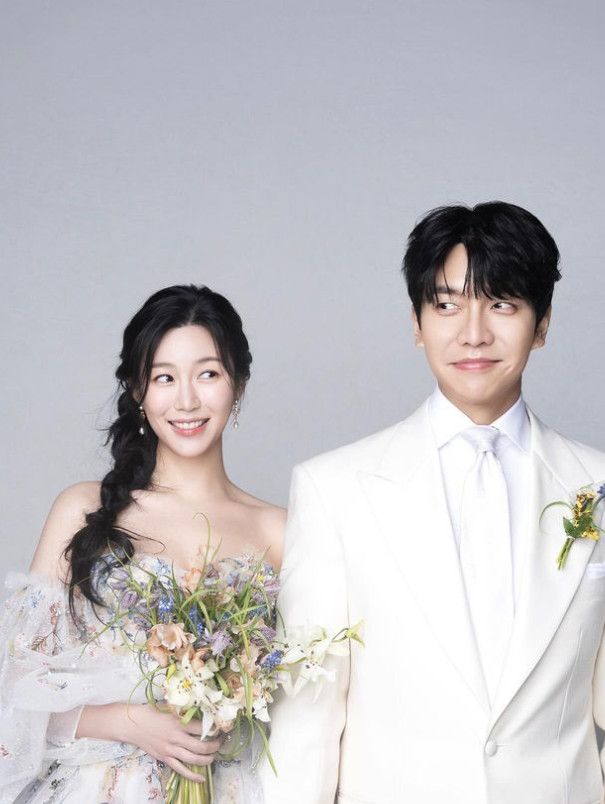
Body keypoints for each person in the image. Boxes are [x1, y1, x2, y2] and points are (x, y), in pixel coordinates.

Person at [261, 202, 605, 804]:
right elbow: (306, 722)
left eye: (502, 304)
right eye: (447, 305)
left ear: (543, 323)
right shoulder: (335, 489)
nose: (473, 333)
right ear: (417, 323)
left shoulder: (596, 485)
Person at [0, 284, 286, 803]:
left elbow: (306, 706)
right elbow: (13, 689)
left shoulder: (278, 531)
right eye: (164, 378)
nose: (187, 401)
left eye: (208, 374)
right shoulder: (83, 510)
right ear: (138, 391)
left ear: (238, 384)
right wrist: (128, 721)